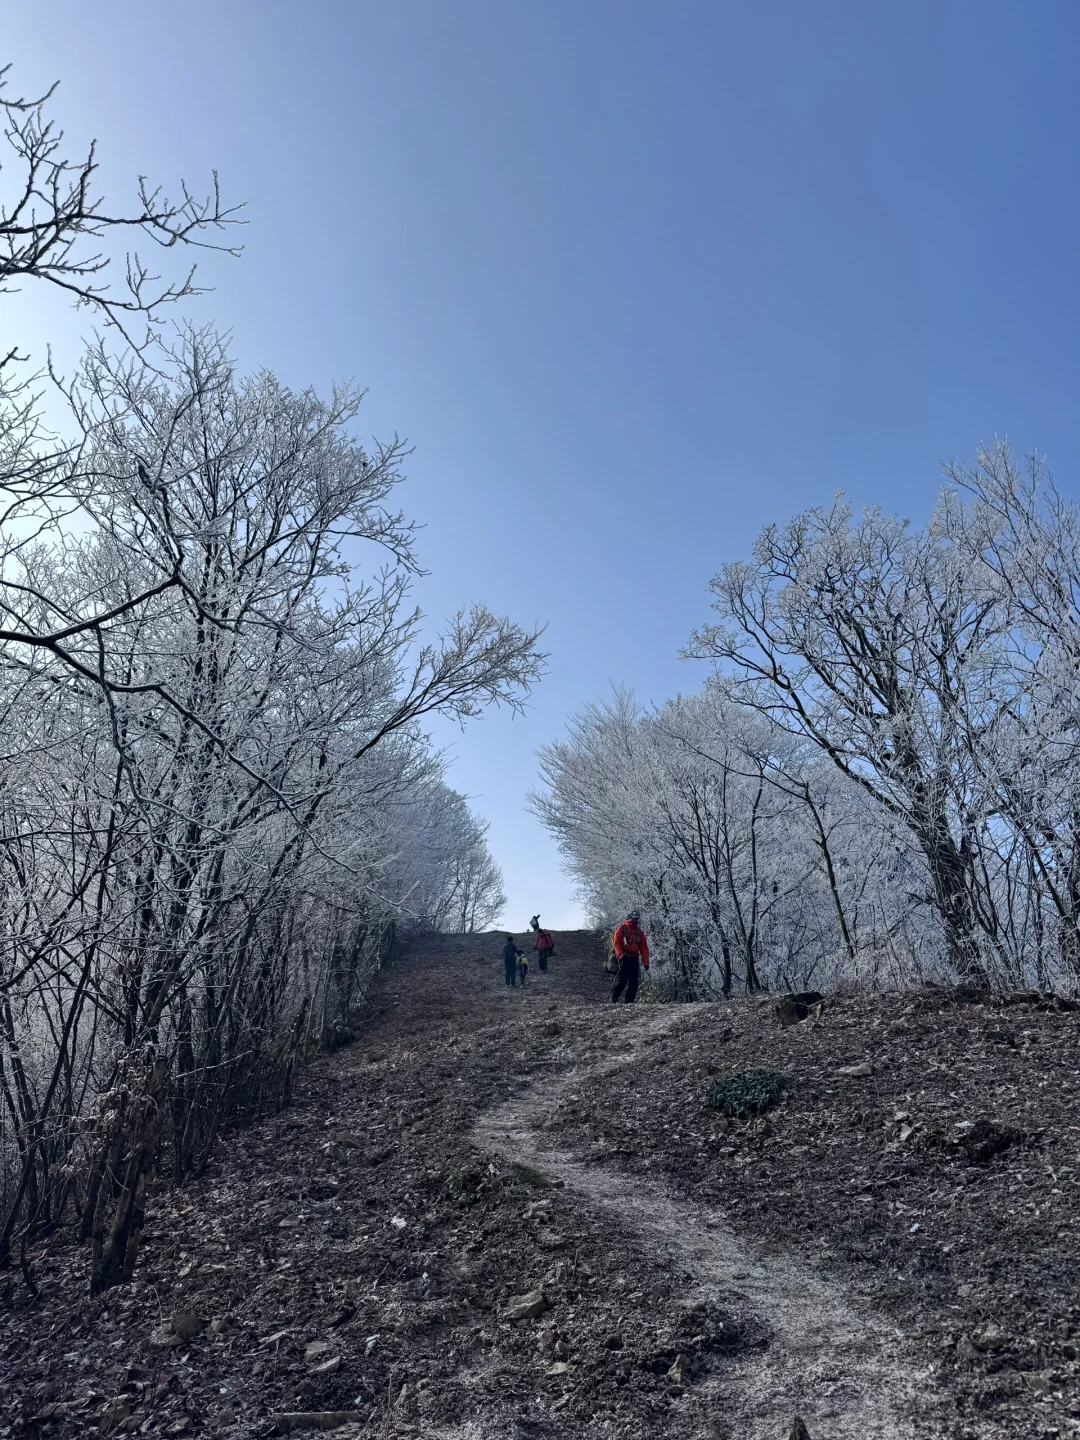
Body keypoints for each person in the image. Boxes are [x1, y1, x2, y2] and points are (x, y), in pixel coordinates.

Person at [611, 909, 649, 1003]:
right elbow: (616, 944)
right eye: (634, 919)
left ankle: (629, 1002)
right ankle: (614, 997)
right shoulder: (621, 929)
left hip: (634, 959)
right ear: (630, 918)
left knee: (634, 982)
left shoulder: (639, 932)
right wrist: (621, 955)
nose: (635, 921)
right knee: (622, 980)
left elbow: (644, 948)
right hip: (624, 958)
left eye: (637, 919)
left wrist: (646, 962)